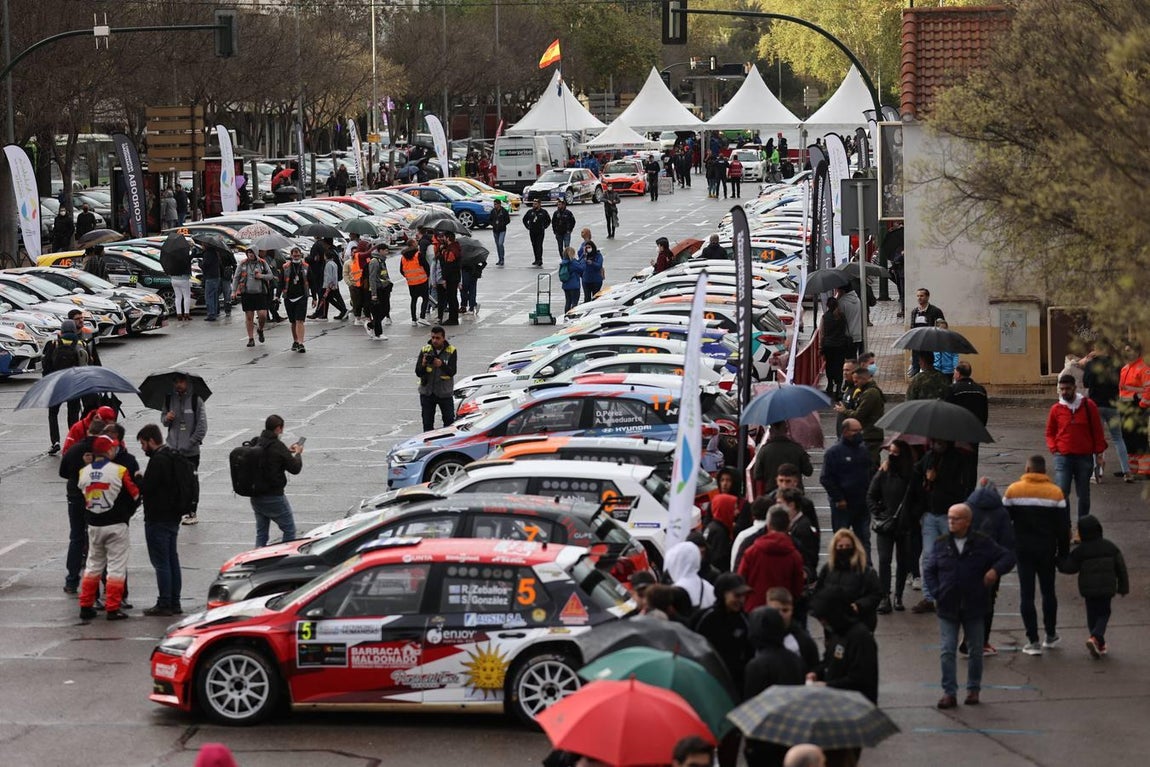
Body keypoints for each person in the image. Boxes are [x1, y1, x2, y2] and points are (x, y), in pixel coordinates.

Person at [924, 503, 1015, 709]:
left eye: (955, 518)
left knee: (975, 650)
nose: (951, 522)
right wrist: (937, 592)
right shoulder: (941, 544)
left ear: (967, 521)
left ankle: (973, 689)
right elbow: (929, 570)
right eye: (949, 518)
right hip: (948, 606)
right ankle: (949, 692)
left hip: (974, 605)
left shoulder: (982, 543)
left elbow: (1007, 557)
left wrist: (994, 571)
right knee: (947, 650)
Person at [1003, 455, 1069, 655]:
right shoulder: (1055, 493)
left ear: (1028, 468)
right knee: (1048, 592)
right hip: (1047, 550)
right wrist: (1063, 554)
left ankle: (1032, 641)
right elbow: (1063, 528)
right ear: (1044, 471)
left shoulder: (1013, 490)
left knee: (1027, 594)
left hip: (1023, 550)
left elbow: (1005, 523)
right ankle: (1050, 634)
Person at [908, 439, 977, 613]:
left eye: (940, 440)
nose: (937, 443)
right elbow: (916, 474)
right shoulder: (929, 457)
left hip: (949, 516)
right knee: (928, 557)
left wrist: (938, 479)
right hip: (930, 514)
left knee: (951, 556)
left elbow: (962, 488)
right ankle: (929, 597)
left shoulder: (959, 460)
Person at [76, 434, 140, 620]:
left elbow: (82, 494)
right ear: (108, 451)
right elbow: (135, 495)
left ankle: (85, 605)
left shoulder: (84, 472)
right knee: (116, 567)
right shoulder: (120, 470)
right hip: (116, 524)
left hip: (94, 525)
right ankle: (113, 607)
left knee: (93, 565)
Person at [742, 606, 806, 767]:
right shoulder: (794, 659)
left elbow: (752, 705)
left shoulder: (757, 665)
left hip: (765, 739)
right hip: (791, 733)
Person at [1057, 514, 1128, 658]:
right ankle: (1096, 638)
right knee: (1104, 613)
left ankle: (1096, 640)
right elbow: (1121, 567)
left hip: (1088, 590)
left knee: (1092, 615)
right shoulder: (1110, 546)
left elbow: (1069, 568)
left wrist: (1059, 559)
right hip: (1107, 588)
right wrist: (1123, 586)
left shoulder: (1081, 551)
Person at [136, 424, 188, 616]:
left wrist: (139, 478)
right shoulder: (173, 455)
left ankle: (164, 602)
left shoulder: (158, 461)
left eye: (143, 444)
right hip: (173, 516)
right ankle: (175, 601)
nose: (142, 448)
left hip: (158, 518)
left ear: (151, 441)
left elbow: (148, 488)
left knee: (161, 562)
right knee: (172, 559)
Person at [963, 478, 1016, 655]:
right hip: (990, 565)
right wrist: (999, 567)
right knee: (987, 602)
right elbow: (1007, 543)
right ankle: (982, 641)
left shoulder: (966, 508)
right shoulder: (1001, 513)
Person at [1046, 374, 1107, 519]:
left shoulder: (1088, 405)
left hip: (1084, 456)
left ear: (1074, 387)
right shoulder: (1056, 409)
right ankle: (1065, 527)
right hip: (1062, 456)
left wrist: (1099, 454)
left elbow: (1097, 431)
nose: (1064, 392)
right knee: (1062, 492)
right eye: (1062, 389)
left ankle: (1082, 527)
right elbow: (1049, 432)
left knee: (1084, 494)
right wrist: (1054, 448)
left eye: (1067, 388)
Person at [59, 416, 108, 594]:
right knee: (99, 540)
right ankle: (103, 581)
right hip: (97, 497)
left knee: (76, 537)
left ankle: (72, 580)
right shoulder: (105, 451)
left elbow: (63, 472)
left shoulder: (74, 449)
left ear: (88, 431)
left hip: (75, 496)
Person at [807, 586, 879, 704]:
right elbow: (828, 661)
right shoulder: (837, 633)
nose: (822, 623)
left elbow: (860, 678)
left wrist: (827, 685)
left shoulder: (861, 638)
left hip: (856, 704)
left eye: (824, 618)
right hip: (836, 701)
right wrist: (816, 672)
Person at [867, 440, 914, 614]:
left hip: (904, 525)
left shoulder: (911, 475)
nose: (892, 456)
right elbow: (871, 495)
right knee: (884, 560)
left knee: (903, 561)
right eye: (891, 452)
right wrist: (878, 512)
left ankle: (898, 595)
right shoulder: (883, 473)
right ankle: (885, 596)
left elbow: (918, 499)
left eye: (896, 453)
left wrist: (911, 516)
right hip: (885, 524)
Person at [244, 415, 303, 548]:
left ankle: (256, 560)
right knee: (289, 530)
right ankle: (284, 559)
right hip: (274, 496)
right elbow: (295, 468)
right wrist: (298, 453)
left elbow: (270, 456)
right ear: (278, 428)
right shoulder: (277, 446)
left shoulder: (257, 442)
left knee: (262, 533)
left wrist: (286, 451)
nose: (282, 432)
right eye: (281, 429)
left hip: (256, 496)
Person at [820, 419, 873, 562]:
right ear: (845, 432)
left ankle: (866, 568)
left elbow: (870, 473)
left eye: (860, 430)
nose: (859, 434)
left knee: (864, 540)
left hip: (861, 504)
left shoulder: (863, 450)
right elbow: (825, 478)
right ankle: (840, 568)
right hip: (842, 506)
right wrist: (838, 498)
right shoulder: (834, 452)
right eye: (855, 431)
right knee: (841, 541)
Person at [694, 573, 753, 697]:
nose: (741, 600)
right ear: (722, 593)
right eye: (737, 595)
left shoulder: (745, 620)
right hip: (708, 679)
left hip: (736, 683)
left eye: (744, 596)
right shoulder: (705, 618)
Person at [1079, 344, 1130, 481]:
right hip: (1113, 406)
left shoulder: (1092, 364)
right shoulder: (1116, 365)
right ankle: (1127, 471)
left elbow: (1086, 383)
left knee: (1098, 440)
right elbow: (1121, 382)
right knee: (1118, 438)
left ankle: (1097, 473)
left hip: (1096, 406)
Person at [814, 529, 882, 633]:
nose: (844, 549)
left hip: (860, 625)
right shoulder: (827, 569)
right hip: (834, 627)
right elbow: (818, 593)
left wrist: (859, 606)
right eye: (840, 546)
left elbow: (876, 594)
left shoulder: (866, 571)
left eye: (847, 546)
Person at [738, 508, 805, 611]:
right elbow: (797, 588)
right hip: (782, 612)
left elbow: (741, 579)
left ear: (768, 524)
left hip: (754, 609)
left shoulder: (752, 551)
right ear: (788, 526)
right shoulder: (794, 555)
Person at [162, 372, 206, 525]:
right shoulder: (169, 399)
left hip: (190, 452)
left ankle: (192, 511)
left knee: (190, 482)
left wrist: (189, 444)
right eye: (175, 382)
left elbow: (201, 428)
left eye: (181, 382)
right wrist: (167, 418)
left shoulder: (196, 400)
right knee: (174, 481)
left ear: (187, 383)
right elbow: (163, 421)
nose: (178, 385)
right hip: (173, 449)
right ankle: (176, 509)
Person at [42, 320, 90, 454]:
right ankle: (73, 440)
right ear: (75, 330)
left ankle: (55, 441)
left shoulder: (54, 344)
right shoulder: (81, 344)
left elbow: (46, 366)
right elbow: (87, 364)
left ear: (61, 331)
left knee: (53, 413)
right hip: (74, 385)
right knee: (73, 414)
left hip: (57, 384)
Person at [833, 365, 885, 469]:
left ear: (863, 379)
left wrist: (845, 411)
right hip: (869, 435)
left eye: (856, 381)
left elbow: (859, 415)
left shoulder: (870, 393)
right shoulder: (866, 391)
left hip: (871, 436)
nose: (855, 384)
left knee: (870, 466)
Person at [751, 421, 813, 496]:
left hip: (772, 493)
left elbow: (757, 475)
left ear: (770, 431)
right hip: (795, 493)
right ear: (786, 430)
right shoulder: (797, 449)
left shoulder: (764, 450)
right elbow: (808, 471)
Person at [1118, 342, 1150, 478]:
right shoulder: (1125, 368)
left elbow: (1148, 388)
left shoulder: (1143, 368)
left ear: (1137, 352)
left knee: (1139, 437)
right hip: (1125, 407)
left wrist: (1143, 405)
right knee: (1128, 437)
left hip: (1137, 407)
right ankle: (1132, 469)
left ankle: (1145, 470)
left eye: (1130, 351)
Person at [416, 326, 457, 432]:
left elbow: (452, 372)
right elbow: (418, 372)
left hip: (444, 393)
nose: (434, 340)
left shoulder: (451, 351)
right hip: (427, 392)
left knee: (449, 422)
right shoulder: (426, 350)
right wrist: (424, 364)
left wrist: (441, 364)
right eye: (433, 337)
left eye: (437, 338)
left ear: (443, 338)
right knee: (427, 423)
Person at [231, 249, 273, 348]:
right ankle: (251, 339)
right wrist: (233, 291)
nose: (250, 255)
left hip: (260, 293)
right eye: (249, 253)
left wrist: (261, 276)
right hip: (247, 293)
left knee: (262, 315)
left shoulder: (262, 263)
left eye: (252, 253)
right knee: (249, 317)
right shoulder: (242, 263)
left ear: (256, 253)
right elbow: (236, 277)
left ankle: (260, 330)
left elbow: (270, 276)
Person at [820, 298, 853, 401]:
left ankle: (830, 385)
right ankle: (838, 389)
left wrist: (821, 346)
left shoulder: (825, 317)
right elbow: (846, 330)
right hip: (840, 345)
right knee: (839, 366)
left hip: (828, 346)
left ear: (828, 305)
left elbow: (822, 333)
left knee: (829, 365)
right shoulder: (841, 316)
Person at [907, 288, 945, 375]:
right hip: (917, 344)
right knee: (916, 367)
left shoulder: (935, 311)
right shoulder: (914, 311)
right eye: (918, 296)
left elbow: (942, 326)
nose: (919, 298)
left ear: (927, 297)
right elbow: (912, 327)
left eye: (921, 296)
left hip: (929, 344)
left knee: (929, 366)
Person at [281, 246, 309, 352]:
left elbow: (311, 281)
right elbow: (281, 282)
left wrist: (315, 297)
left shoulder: (306, 267)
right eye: (294, 254)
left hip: (302, 297)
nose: (296, 256)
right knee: (293, 322)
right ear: (291, 255)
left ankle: (301, 343)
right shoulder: (285, 267)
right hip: (289, 297)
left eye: (298, 254)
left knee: (299, 320)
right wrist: (277, 296)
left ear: (301, 255)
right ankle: (295, 340)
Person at [946, 362, 989, 426]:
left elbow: (948, 410)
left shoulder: (952, 389)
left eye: (954, 372)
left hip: (959, 425)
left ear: (958, 374)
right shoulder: (981, 389)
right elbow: (985, 411)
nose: (953, 375)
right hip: (977, 425)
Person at [704, 492, 739, 571]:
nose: (737, 512)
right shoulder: (720, 533)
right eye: (734, 508)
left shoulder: (713, 527)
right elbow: (719, 562)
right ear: (725, 509)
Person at [399, 241, 430, 326]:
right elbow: (426, 266)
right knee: (425, 299)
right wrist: (427, 276)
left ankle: (413, 320)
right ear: (413, 245)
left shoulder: (403, 257)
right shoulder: (418, 254)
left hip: (411, 282)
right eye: (416, 243)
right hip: (422, 281)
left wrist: (408, 276)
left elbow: (401, 270)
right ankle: (422, 317)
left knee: (414, 300)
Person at [366, 243, 392, 341]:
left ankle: (371, 325)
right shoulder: (374, 261)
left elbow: (384, 275)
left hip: (383, 289)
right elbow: (372, 278)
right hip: (377, 290)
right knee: (377, 312)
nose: (387, 252)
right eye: (385, 250)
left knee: (385, 310)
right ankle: (378, 334)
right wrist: (373, 294)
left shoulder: (382, 261)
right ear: (380, 250)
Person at [436, 231, 461, 325]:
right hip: (455, 276)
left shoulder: (451, 251)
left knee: (451, 298)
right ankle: (453, 317)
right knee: (452, 297)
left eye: (445, 237)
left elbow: (448, 266)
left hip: (451, 278)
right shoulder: (454, 247)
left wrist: (444, 279)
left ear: (448, 238)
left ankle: (453, 318)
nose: (444, 239)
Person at [833, 286, 863, 358]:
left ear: (841, 290)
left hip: (847, 336)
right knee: (854, 358)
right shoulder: (857, 300)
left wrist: (837, 299)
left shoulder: (842, 302)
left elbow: (838, 318)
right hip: (858, 334)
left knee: (849, 360)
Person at [321, 248, 349, 321]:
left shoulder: (328, 265)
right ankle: (343, 310)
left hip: (330, 285)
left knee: (329, 299)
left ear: (326, 256)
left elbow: (329, 276)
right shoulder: (334, 264)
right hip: (334, 285)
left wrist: (328, 286)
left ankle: (343, 310)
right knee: (336, 298)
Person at [522, 199, 551, 267]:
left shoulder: (543, 212)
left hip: (540, 231)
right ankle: (536, 259)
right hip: (532, 231)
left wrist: (545, 226)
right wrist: (528, 226)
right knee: (534, 245)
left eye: (535, 204)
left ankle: (540, 260)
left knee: (539, 245)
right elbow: (524, 219)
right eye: (533, 204)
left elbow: (548, 220)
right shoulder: (530, 212)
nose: (534, 205)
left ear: (539, 204)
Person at [559, 247, 584, 314]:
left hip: (566, 285)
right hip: (574, 285)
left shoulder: (563, 263)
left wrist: (581, 256)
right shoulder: (573, 263)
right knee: (574, 303)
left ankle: (566, 315)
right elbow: (581, 268)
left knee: (568, 301)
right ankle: (573, 315)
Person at [490, 198, 510, 265]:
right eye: (494, 204)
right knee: (497, 245)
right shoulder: (493, 211)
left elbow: (508, 220)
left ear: (499, 204)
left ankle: (502, 259)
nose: (495, 206)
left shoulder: (504, 211)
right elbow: (490, 219)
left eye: (496, 204)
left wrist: (502, 224)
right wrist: (493, 224)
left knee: (500, 244)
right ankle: (499, 259)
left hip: (502, 230)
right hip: (495, 230)